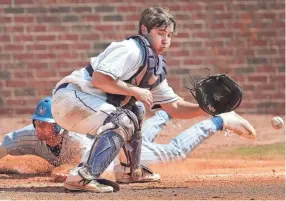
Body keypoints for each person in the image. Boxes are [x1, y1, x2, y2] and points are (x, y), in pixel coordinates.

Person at [51, 7, 256, 193]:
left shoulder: (154, 67)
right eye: (160, 34)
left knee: (136, 110)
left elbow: (175, 107)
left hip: (88, 106)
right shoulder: (129, 49)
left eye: (169, 35)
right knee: (124, 118)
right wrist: (135, 90)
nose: (165, 40)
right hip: (70, 98)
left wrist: (208, 109)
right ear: (144, 30)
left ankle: (129, 171)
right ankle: (82, 177)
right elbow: (100, 78)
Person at [0, 98, 256, 183]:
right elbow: (3, 145)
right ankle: (165, 112)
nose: (40, 128)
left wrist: (66, 171)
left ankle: (220, 120)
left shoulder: (77, 139)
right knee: (139, 131)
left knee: (173, 153)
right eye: (38, 123)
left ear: (60, 125)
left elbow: (103, 167)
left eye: (46, 124)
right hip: (115, 134)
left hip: (115, 150)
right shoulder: (28, 135)